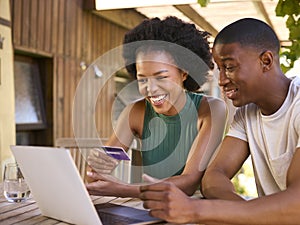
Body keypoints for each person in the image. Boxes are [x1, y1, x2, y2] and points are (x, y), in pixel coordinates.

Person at [139, 18, 300, 224]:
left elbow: (297, 204)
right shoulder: (247, 113)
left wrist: (195, 210)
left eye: (230, 67)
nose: (222, 80)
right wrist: (244, 213)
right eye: (219, 69)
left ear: (266, 61)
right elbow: (214, 177)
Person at [85, 16, 227, 198]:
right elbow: (96, 177)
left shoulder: (211, 110)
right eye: (142, 79)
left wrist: (123, 189)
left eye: (161, 77)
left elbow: (189, 183)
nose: (150, 89)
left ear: (184, 73)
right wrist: (97, 167)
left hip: (198, 211)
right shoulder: (135, 113)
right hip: (152, 209)